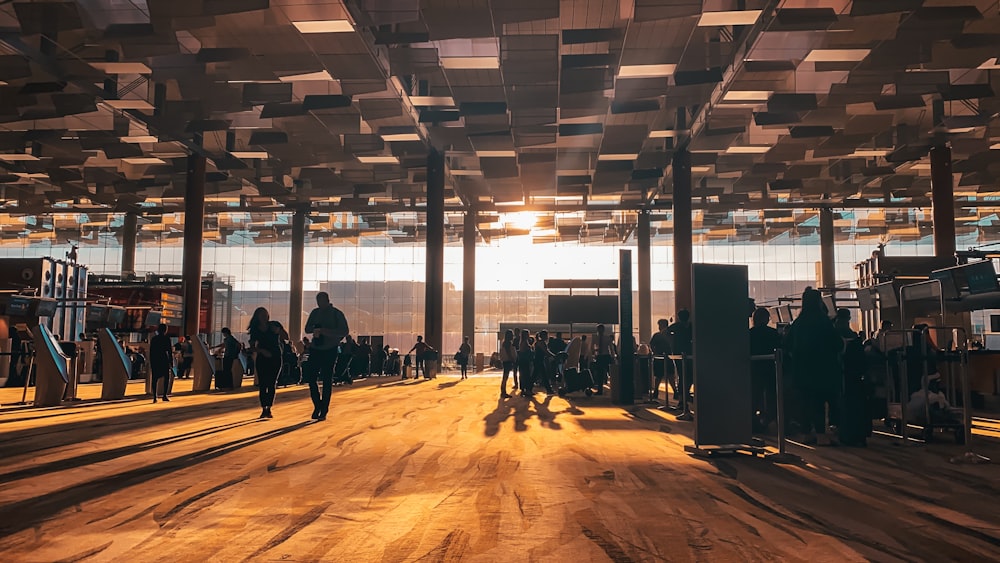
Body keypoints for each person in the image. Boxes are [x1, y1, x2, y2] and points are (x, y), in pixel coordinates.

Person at [786, 288, 842, 445]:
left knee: (805, 402)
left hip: (801, 370)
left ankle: (806, 433)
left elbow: (786, 344)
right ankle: (821, 435)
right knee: (819, 402)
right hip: (822, 370)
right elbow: (837, 344)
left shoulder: (798, 323)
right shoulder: (824, 321)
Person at [304, 292, 350, 421]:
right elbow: (307, 329)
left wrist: (327, 331)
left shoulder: (336, 314)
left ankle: (324, 408)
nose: (319, 303)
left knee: (327, 379)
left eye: (321, 301)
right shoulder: (315, 313)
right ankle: (317, 405)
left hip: (330, 349)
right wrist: (315, 328)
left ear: (327, 300)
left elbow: (345, 331)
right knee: (311, 378)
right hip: (316, 348)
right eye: (318, 301)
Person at [835, 308, 869, 446]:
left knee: (844, 404)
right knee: (854, 403)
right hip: (855, 377)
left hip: (842, 375)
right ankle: (856, 434)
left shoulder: (836, 336)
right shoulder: (855, 338)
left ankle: (846, 433)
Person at [249, 308, 285, 419]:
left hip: (275, 356)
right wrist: (261, 351)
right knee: (263, 384)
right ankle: (264, 408)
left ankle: (268, 408)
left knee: (272, 383)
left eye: (265, 314)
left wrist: (278, 331)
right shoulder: (255, 329)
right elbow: (252, 346)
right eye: (261, 315)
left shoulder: (274, 324)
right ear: (257, 317)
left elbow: (286, 337)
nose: (264, 317)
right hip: (262, 357)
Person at [749, 308, 782, 432]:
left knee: (754, 396)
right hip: (770, 369)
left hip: (754, 368)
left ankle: (753, 421)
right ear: (767, 319)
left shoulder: (749, 333)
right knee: (771, 396)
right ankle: (770, 420)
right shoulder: (773, 333)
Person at [668, 310, 693, 404]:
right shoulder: (691, 326)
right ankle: (684, 395)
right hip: (689, 352)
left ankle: (682, 397)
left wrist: (673, 341)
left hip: (678, 352)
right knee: (689, 375)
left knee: (682, 374)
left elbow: (666, 332)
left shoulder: (676, 326)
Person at [649, 319, 675, 404]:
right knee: (669, 375)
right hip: (667, 357)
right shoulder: (670, 336)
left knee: (660, 375)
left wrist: (655, 352)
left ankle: (656, 391)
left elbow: (652, 345)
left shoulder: (657, 335)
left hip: (660, 357)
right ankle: (675, 391)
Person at [149, 324, 173, 403]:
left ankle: (155, 396)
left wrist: (151, 361)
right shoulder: (167, 339)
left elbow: (151, 351)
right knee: (166, 378)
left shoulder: (154, 339)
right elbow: (170, 351)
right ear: (165, 330)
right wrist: (171, 361)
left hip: (156, 359)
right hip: (164, 359)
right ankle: (164, 395)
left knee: (155, 379)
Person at [592, 324, 616, 395]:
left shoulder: (606, 338)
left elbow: (611, 348)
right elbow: (592, 348)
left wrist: (613, 357)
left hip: (605, 356)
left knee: (610, 373)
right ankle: (600, 390)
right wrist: (594, 354)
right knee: (600, 374)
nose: (600, 331)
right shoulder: (596, 338)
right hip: (601, 356)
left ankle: (614, 388)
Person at [532, 331, 556, 396]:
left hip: (537, 360)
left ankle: (529, 388)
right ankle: (549, 390)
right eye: (546, 335)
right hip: (539, 361)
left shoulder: (538, 343)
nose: (547, 337)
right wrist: (554, 356)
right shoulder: (542, 343)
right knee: (543, 375)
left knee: (536, 375)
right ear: (544, 336)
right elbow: (546, 352)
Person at [499, 329, 517, 398]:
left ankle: (503, 391)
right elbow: (509, 352)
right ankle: (503, 392)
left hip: (506, 361)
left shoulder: (505, 342)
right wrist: (512, 359)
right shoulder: (508, 343)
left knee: (505, 376)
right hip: (508, 361)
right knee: (505, 376)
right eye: (512, 335)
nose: (513, 336)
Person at [516, 330, 533, 398]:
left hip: (522, 361)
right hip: (525, 361)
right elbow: (525, 351)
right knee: (526, 375)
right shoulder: (524, 343)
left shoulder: (522, 342)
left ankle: (523, 389)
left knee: (523, 375)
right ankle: (526, 389)